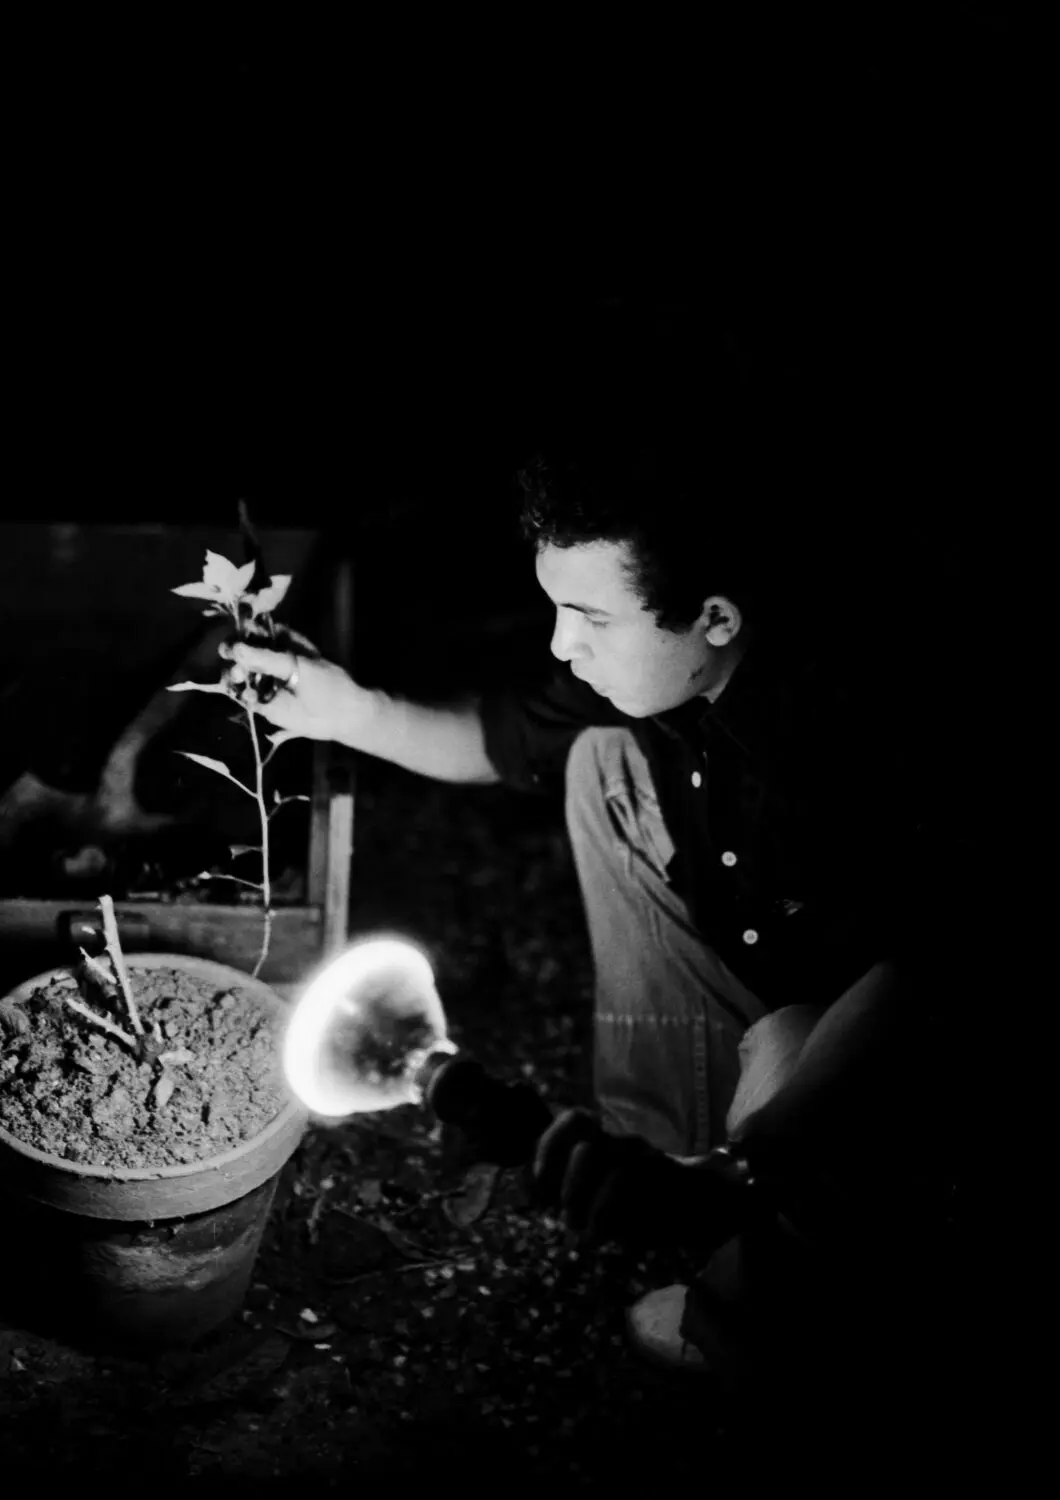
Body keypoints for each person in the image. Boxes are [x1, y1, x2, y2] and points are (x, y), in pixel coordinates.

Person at [220, 444, 980, 1381]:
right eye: (554, 608)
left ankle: (762, 1306)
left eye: (589, 618)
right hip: (769, 957)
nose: (558, 644)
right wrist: (352, 709)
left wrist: (755, 1170)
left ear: (714, 618)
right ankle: (673, 1149)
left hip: (885, 1051)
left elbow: (927, 974)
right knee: (601, 765)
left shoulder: (852, 732)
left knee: (787, 1057)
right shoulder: (661, 677)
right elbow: (498, 740)